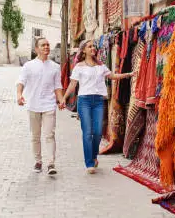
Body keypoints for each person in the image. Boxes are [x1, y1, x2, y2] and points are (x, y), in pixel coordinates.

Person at [61, 40, 134, 174]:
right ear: (83, 50)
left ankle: (94, 155)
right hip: (84, 101)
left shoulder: (101, 66)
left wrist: (127, 75)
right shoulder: (79, 67)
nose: (93, 48)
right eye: (90, 46)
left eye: (94, 46)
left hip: (99, 101)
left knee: (98, 132)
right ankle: (89, 162)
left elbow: (112, 76)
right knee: (87, 132)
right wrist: (64, 98)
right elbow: (72, 84)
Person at [17, 37, 64, 175]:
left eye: (48, 45)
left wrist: (61, 100)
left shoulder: (55, 67)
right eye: (43, 45)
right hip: (33, 105)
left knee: (50, 135)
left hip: (49, 105)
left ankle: (51, 163)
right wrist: (19, 95)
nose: (46, 47)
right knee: (35, 136)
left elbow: (57, 86)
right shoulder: (29, 66)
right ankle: (38, 161)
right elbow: (21, 82)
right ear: (36, 49)